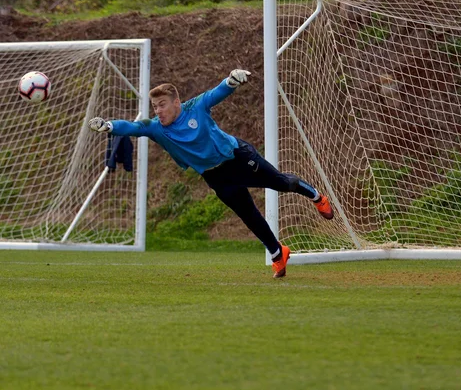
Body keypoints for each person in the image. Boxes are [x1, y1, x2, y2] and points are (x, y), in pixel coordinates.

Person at [88, 69, 334, 278]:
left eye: (162, 105)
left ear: (176, 103)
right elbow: (131, 127)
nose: (158, 110)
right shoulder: (155, 127)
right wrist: (109, 126)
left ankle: (317, 198)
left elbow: (217, 93)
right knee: (248, 214)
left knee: (281, 183)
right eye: (155, 106)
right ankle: (278, 253)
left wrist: (232, 80)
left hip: (237, 157)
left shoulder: (196, 106)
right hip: (214, 176)